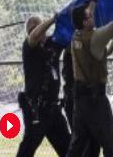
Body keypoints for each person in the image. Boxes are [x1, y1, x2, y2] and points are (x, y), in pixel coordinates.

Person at [66, 0, 113, 157]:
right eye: (90, 17)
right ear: (85, 22)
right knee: (109, 143)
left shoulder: (75, 37)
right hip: (96, 101)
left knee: (77, 146)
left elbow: (86, 13)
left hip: (80, 101)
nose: (93, 17)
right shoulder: (95, 37)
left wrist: (94, 0)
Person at [16, 14, 71, 157]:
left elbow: (68, 34)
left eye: (39, 27)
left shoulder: (52, 44)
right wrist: (52, 19)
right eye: (33, 29)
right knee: (28, 147)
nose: (38, 32)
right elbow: (34, 36)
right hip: (36, 109)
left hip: (53, 108)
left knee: (68, 147)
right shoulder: (28, 48)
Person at [63, 45, 100, 157]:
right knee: (81, 141)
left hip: (90, 100)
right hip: (75, 100)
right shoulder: (71, 50)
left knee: (94, 142)